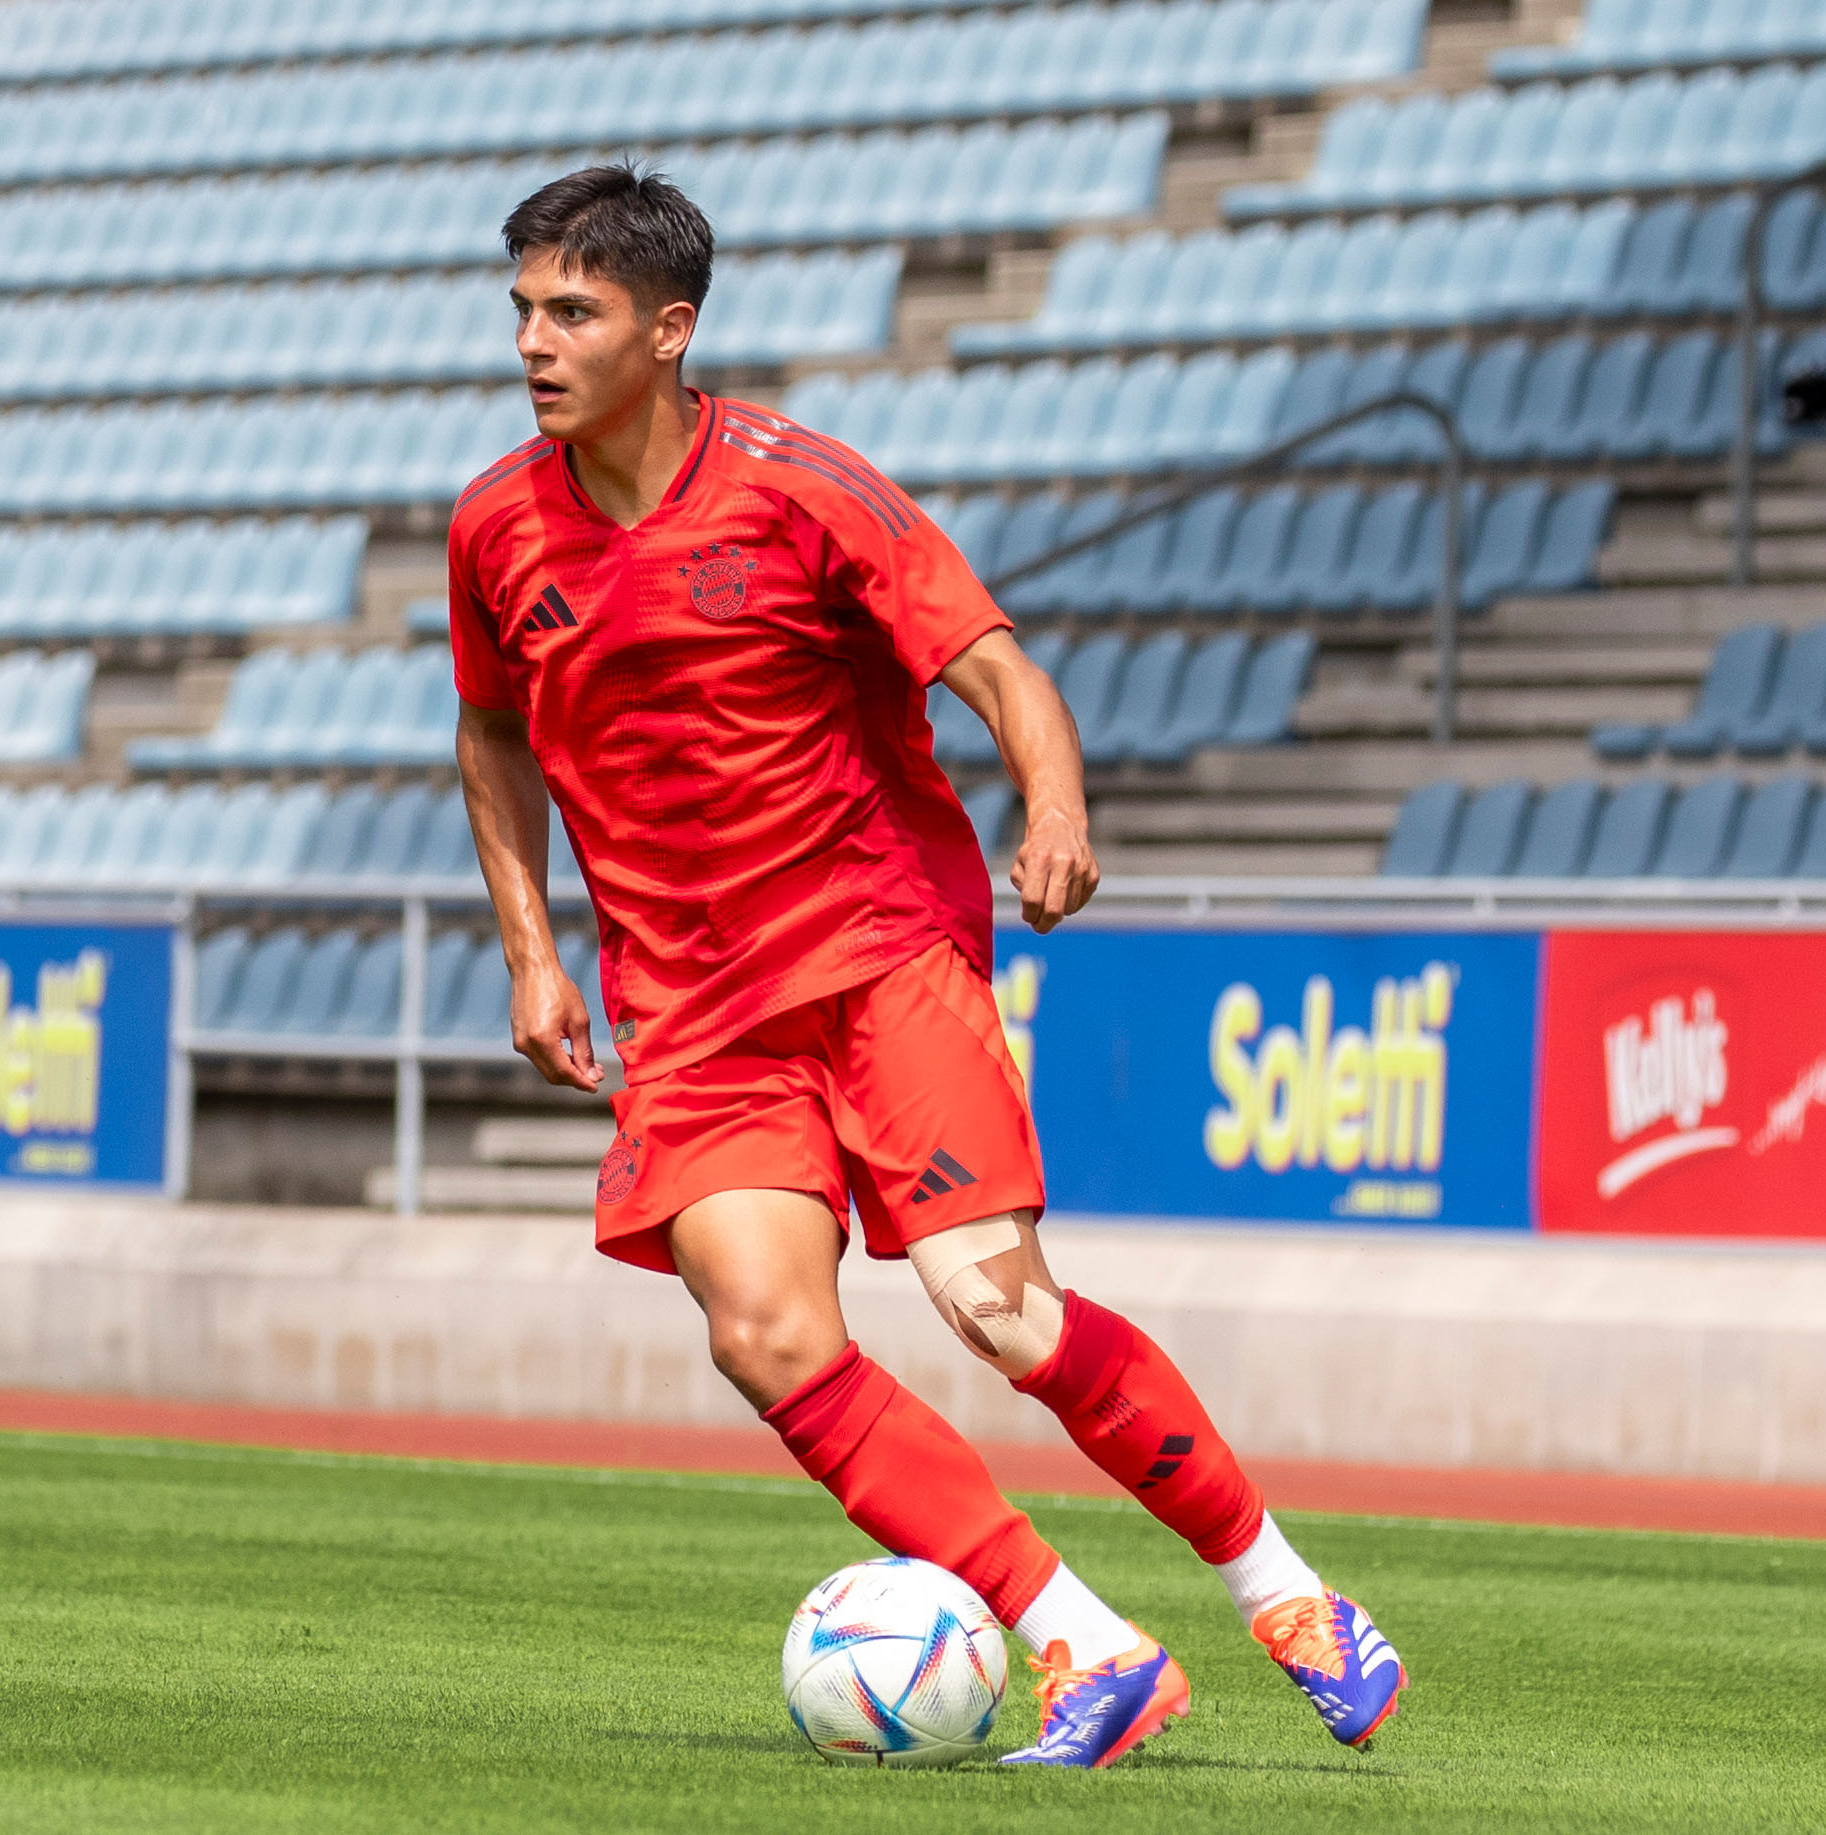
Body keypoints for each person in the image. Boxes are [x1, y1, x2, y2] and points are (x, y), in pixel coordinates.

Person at [444, 166, 1401, 1770]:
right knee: (764, 1334)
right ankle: (1084, 1643)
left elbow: (996, 667)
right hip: (688, 1011)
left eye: (572, 312)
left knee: (994, 1310)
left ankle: (1290, 1594)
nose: (533, 342)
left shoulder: (804, 488)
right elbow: (487, 729)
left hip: (876, 951)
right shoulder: (492, 524)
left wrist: (1056, 801)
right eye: (522, 311)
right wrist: (531, 951)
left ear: (667, 332)